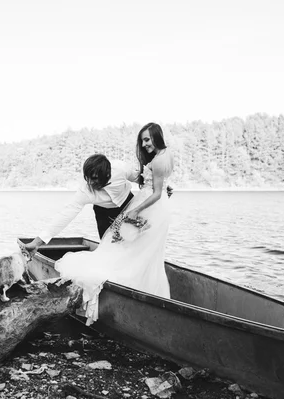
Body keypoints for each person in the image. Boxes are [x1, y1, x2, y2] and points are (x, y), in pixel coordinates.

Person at [54, 122, 175, 325]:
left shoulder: (157, 160)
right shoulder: (162, 155)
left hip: (148, 207)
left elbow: (156, 191)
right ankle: (128, 288)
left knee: (136, 249)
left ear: (156, 136)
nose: (144, 144)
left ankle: (133, 288)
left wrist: (137, 209)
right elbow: (148, 180)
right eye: (142, 140)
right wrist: (161, 187)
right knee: (128, 247)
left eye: (147, 139)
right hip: (144, 204)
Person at [24, 154, 140, 251]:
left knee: (135, 240)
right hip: (103, 213)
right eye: (87, 178)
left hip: (129, 204)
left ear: (107, 174)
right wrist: (37, 242)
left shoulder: (121, 169)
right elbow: (66, 214)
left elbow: (140, 179)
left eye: (94, 178)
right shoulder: (85, 191)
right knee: (109, 245)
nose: (90, 183)